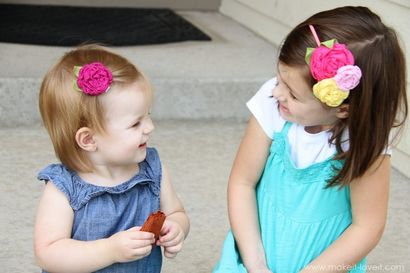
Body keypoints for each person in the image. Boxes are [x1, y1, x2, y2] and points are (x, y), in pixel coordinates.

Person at [213, 6, 407, 273]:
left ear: (342, 108)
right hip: (252, 255)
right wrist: (255, 264)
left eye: (293, 94)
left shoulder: (363, 142)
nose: (278, 93)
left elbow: (367, 227)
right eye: (279, 79)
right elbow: (242, 182)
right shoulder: (273, 105)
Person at [34, 45, 190, 273]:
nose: (150, 127)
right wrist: (109, 250)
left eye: (148, 116)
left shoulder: (153, 171)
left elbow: (176, 212)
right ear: (88, 139)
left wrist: (176, 227)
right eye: (135, 123)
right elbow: (48, 253)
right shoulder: (64, 188)